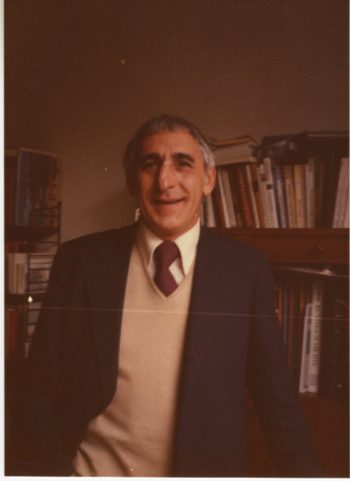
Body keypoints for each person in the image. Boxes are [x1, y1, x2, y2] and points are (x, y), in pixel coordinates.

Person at [16, 115, 322, 477]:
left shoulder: (244, 271)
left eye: (183, 163)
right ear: (133, 181)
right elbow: (40, 390)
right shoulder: (80, 261)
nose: (165, 181)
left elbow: (278, 404)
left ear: (208, 179)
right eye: (150, 165)